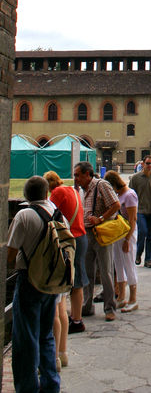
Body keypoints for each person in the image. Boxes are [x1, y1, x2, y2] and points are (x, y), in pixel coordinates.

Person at [7, 175, 65, 393]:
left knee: (25, 338)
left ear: (25, 195)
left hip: (29, 280)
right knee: (46, 334)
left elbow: (11, 253)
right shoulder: (57, 212)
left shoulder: (24, 215)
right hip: (52, 281)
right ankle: (51, 384)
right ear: (47, 193)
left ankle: (27, 387)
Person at [43, 170, 88, 343]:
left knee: (70, 279)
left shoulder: (58, 192)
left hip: (72, 238)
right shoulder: (72, 190)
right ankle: (76, 317)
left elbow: (48, 213)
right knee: (78, 278)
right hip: (81, 236)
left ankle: (75, 319)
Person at [74, 162, 120, 321]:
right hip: (86, 234)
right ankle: (87, 305)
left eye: (78, 175)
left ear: (88, 174)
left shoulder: (101, 185)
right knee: (87, 271)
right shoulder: (82, 189)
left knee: (106, 271)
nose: (76, 178)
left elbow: (116, 205)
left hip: (100, 233)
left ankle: (109, 307)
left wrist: (100, 218)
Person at [104, 171, 139, 312]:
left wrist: (127, 239)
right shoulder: (119, 195)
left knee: (129, 265)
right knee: (118, 264)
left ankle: (133, 298)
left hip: (127, 234)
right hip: (118, 234)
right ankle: (121, 297)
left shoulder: (130, 195)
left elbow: (133, 219)